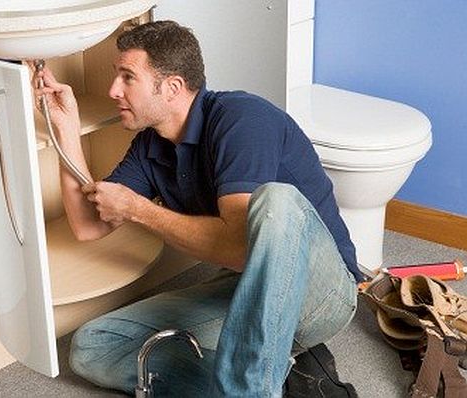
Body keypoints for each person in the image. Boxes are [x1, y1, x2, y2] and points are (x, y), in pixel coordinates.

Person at [32, 20, 361, 398]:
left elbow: (239, 244)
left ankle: (249, 390)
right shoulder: (149, 146)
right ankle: (282, 385)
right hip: (246, 287)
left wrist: (139, 209)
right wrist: (65, 129)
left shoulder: (243, 119)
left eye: (127, 77)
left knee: (276, 200)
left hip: (320, 292)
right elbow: (88, 225)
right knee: (94, 346)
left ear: (172, 87)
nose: (113, 91)